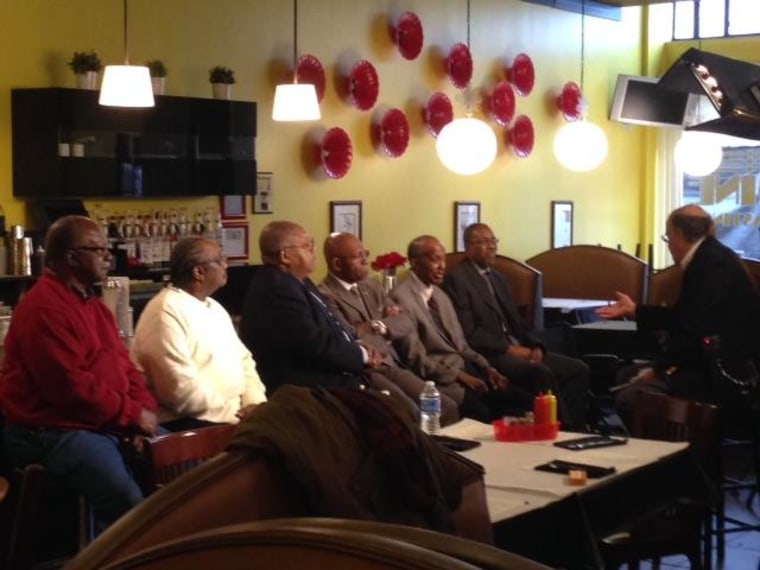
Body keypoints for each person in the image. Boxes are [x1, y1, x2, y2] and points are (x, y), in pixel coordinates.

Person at [0, 215, 158, 534]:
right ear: (72, 257)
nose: (107, 256)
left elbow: (124, 366)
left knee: (177, 475)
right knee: (129, 505)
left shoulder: (94, 305)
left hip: (98, 422)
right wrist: (131, 415)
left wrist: (142, 413)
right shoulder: (44, 308)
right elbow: (70, 388)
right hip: (51, 431)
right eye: (97, 249)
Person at [597, 205, 760, 420]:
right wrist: (635, 309)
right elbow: (684, 316)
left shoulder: (710, 265)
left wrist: (659, 369)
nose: (669, 245)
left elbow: (693, 328)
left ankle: (679, 450)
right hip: (714, 361)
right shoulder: (710, 256)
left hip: (724, 372)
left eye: (668, 237)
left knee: (631, 394)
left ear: (678, 235)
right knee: (626, 375)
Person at [443, 223, 590, 429]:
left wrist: (536, 346)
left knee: (578, 369)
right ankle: (562, 431)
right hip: (491, 354)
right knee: (540, 373)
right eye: (484, 242)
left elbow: (517, 323)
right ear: (468, 247)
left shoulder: (498, 277)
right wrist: (510, 349)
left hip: (519, 346)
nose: (492, 247)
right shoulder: (457, 279)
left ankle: (576, 428)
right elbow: (470, 333)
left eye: (493, 241)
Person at [319, 232, 459, 426]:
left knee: (446, 406)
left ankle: (444, 454)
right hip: (368, 371)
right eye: (359, 256)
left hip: (391, 363)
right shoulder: (326, 295)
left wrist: (376, 325)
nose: (365, 260)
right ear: (337, 264)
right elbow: (349, 336)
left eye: (365, 253)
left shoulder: (371, 284)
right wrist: (383, 325)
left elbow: (406, 321)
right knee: (412, 415)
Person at [391, 235, 533, 423]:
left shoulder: (440, 295)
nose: (442, 266)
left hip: (469, 369)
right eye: (435, 260)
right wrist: (460, 376)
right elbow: (415, 358)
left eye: (443, 259)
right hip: (442, 379)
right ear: (415, 262)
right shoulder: (401, 298)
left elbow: (461, 344)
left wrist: (487, 367)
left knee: (527, 403)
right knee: (483, 414)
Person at [131, 236, 267, 432]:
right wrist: (235, 413)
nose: (226, 265)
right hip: (192, 423)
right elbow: (179, 390)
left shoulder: (215, 307)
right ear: (199, 272)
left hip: (236, 416)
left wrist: (254, 404)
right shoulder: (165, 310)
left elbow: (244, 361)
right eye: (220, 260)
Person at [240, 221, 383, 394]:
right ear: (285, 256)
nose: (315, 254)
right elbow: (314, 344)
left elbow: (329, 326)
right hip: (307, 389)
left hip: (340, 371)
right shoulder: (277, 289)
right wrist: (362, 355)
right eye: (308, 247)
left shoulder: (297, 279)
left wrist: (356, 345)